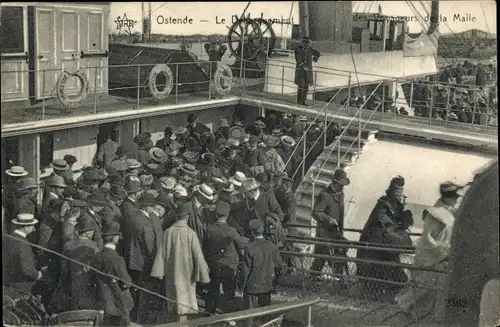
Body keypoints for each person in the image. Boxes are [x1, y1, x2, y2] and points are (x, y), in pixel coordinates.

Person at [151, 202, 210, 322]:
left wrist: (159, 272)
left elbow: (161, 253)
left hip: (172, 273)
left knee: (174, 302)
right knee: (184, 304)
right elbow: (198, 256)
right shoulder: (191, 234)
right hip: (187, 275)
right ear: (187, 217)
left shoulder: (168, 232)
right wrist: (204, 276)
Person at [357, 175, 412, 298]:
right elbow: (383, 221)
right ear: (392, 190)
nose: (400, 193)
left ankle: (388, 291)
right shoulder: (383, 204)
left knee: (390, 268)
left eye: (401, 191)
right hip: (375, 243)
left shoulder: (395, 204)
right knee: (376, 270)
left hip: (385, 243)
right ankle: (377, 293)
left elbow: (397, 222)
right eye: (398, 191)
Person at [203, 200, 247, 313]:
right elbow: (241, 245)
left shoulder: (210, 230)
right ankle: (227, 314)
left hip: (214, 264)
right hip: (229, 265)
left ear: (216, 214)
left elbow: (205, 247)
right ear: (227, 215)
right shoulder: (231, 231)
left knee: (213, 289)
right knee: (229, 291)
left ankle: (209, 313)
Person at [91, 221, 134, 327]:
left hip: (100, 302)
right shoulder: (117, 259)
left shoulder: (96, 256)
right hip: (117, 305)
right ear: (115, 238)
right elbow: (126, 282)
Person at [310, 170, 350, 278]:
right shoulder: (325, 195)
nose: (342, 187)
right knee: (321, 258)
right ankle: (311, 279)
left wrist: (340, 232)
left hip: (336, 233)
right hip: (325, 233)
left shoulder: (341, 194)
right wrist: (328, 219)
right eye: (341, 185)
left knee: (338, 257)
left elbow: (340, 215)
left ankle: (338, 281)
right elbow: (315, 212)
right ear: (335, 183)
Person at [240, 219, 284, 311]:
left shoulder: (249, 248)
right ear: (263, 230)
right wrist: (275, 282)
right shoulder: (273, 247)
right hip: (267, 285)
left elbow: (245, 270)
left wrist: (241, 286)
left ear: (252, 232)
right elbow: (279, 266)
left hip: (251, 286)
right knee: (265, 312)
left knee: (249, 313)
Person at [3, 213, 44, 296]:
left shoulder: (7, 238)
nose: (33, 228)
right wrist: (38, 275)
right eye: (32, 225)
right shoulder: (23, 244)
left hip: (7, 282)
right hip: (20, 287)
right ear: (25, 227)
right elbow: (27, 269)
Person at [294, 36, 320, 106]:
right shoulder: (298, 49)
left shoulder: (309, 49)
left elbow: (317, 53)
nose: (306, 44)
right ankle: (299, 102)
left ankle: (303, 101)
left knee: (306, 88)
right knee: (301, 87)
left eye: (307, 43)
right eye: (305, 43)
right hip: (301, 72)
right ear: (302, 42)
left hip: (308, 73)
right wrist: (304, 67)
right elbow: (298, 60)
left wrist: (315, 58)